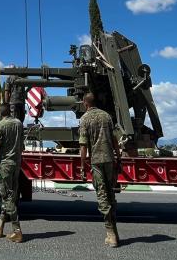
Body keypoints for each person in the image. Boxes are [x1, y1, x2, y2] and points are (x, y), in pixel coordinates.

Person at [78, 92, 121, 248]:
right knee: (110, 195)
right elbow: (115, 140)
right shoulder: (107, 116)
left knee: (102, 195)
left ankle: (111, 234)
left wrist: (83, 166)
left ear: (85, 103)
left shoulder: (84, 119)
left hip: (96, 162)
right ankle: (114, 231)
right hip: (109, 159)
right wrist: (118, 158)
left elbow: (83, 146)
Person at [0, 102, 24, 242]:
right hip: (17, 164)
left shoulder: (1, 125)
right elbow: (21, 144)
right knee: (11, 195)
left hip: (5, 165)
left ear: (0, 112)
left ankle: (17, 231)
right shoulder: (18, 123)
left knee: (7, 197)